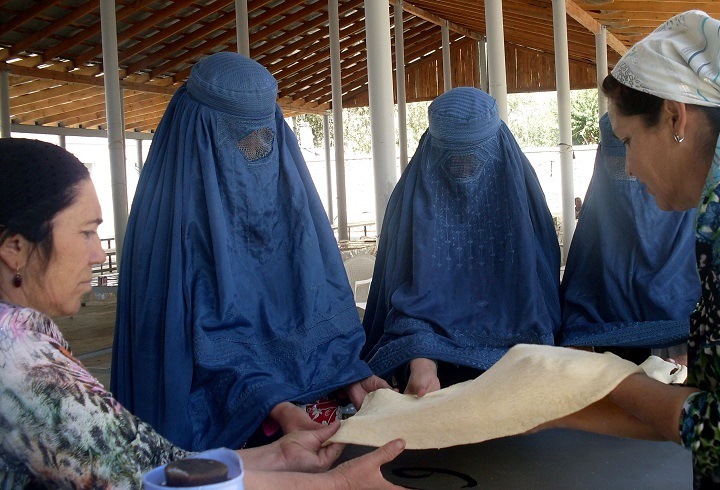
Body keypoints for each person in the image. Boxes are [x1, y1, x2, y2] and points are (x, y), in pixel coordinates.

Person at [0, 138, 404, 488]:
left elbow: (149, 465)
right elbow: (144, 483)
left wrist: (276, 458)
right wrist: (337, 485)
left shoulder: (25, 343)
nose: (99, 253)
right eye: (86, 232)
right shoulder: (20, 363)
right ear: (14, 247)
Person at [111, 52, 390, 452]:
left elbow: (321, 313)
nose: (257, 151)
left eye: (266, 137)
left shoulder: (291, 208)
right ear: (199, 132)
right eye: (242, 138)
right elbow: (186, 359)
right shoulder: (168, 234)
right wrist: (272, 403)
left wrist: (350, 371)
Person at [540, 10, 720, 488]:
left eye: (628, 142)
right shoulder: (710, 231)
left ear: (675, 117)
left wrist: (609, 379)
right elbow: (700, 410)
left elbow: (713, 428)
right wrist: (546, 410)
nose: (632, 169)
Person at [361, 87, 561, 397]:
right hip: (434, 385)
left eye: (476, 161)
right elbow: (404, 299)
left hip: (521, 378)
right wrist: (422, 361)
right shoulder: (410, 204)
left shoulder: (521, 202)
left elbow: (539, 301)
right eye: (453, 164)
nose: (465, 174)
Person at [559, 113, 699, 364]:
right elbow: (577, 313)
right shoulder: (595, 232)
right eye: (616, 160)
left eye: (635, 152)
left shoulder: (706, 231)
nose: (630, 172)